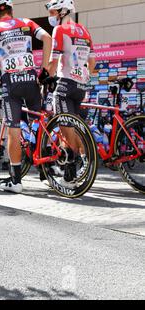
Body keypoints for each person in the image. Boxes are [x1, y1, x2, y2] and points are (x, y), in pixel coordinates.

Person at [0, 0, 52, 193]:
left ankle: (16, 181)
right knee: (38, 126)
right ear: (11, 11)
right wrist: (45, 68)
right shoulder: (26, 22)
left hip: (10, 84)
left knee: (13, 130)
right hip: (31, 80)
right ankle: (46, 171)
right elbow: (47, 38)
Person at [45, 0, 96, 188]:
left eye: (52, 12)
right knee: (72, 128)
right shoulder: (84, 30)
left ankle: (69, 178)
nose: (50, 16)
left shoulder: (60, 29)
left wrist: (43, 78)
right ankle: (79, 163)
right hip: (81, 86)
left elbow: (53, 60)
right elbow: (92, 63)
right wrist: (82, 74)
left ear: (62, 11)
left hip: (65, 84)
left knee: (66, 131)